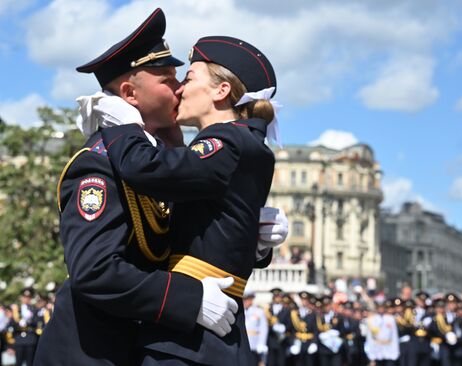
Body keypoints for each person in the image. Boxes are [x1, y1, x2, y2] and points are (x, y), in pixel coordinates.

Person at [33, 9, 284, 365]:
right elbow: (96, 270)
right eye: (168, 79)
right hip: (94, 352)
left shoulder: (171, 158)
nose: (180, 86)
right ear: (130, 94)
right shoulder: (101, 163)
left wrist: (253, 238)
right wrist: (188, 299)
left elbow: (190, 238)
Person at [98, 35, 280, 365]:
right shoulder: (246, 144)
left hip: (190, 342)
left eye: (190, 77)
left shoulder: (226, 143)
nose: (180, 88)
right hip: (208, 333)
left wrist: (122, 126)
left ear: (221, 91)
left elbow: (147, 170)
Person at [244, 290, 269, 365]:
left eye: (247, 299)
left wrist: (262, 343)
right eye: (244, 299)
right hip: (243, 343)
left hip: (254, 344)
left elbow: (263, 329)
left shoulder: (259, 311)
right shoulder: (241, 311)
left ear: (251, 300)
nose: (245, 302)